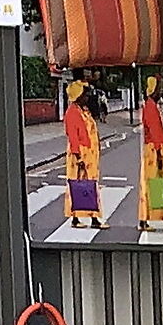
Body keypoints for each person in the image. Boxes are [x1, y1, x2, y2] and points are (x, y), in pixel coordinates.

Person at [63, 81, 105, 230]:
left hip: (89, 155)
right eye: (84, 94)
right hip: (79, 155)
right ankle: (78, 218)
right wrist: (79, 158)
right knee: (79, 186)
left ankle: (92, 218)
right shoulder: (72, 113)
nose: (87, 96)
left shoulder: (83, 110)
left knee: (89, 186)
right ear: (78, 96)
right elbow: (73, 137)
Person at [139, 76, 163, 234]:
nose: (161, 92)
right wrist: (160, 156)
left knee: (159, 186)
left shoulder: (152, 106)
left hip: (157, 150)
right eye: (159, 89)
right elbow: (155, 132)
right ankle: (154, 220)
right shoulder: (150, 107)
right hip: (155, 152)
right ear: (153, 90)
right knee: (154, 186)